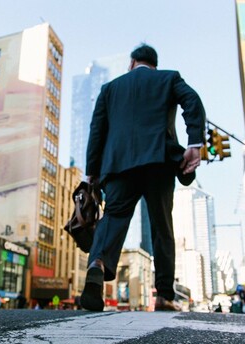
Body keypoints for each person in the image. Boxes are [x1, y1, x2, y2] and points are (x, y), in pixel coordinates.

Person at [80, 44, 206, 312]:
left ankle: (98, 263)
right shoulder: (168, 78)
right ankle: (163, 295)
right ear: (154, 64)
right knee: (162, 227)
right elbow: (192, 102)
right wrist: (195, 141)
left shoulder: (110, 89)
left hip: (119, 165)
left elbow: (97, 131)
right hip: (158, 161)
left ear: (132, 63)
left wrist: (92, 172)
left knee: (113, 216)